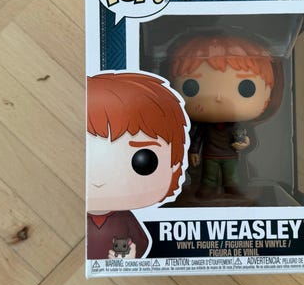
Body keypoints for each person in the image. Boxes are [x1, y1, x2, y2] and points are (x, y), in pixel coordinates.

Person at [86, 72, 188, 259]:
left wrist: (131, 257)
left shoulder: (124, 218)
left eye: (143, 161)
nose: (99, 180)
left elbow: (142, 243)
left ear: (174, 164)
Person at [170, 36, 275, 190]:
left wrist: (244, 143)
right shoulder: (203, 127)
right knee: (209, 178)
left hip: (230, 156)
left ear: (267, 95)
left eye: (246, 88)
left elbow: (247, 139)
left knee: (231, 178)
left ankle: (232, 191)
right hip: (209, 156)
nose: (219, 97)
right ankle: (208, 191)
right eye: (191, 87)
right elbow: (196, 139)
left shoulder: (237, 126)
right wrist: (194, 152)